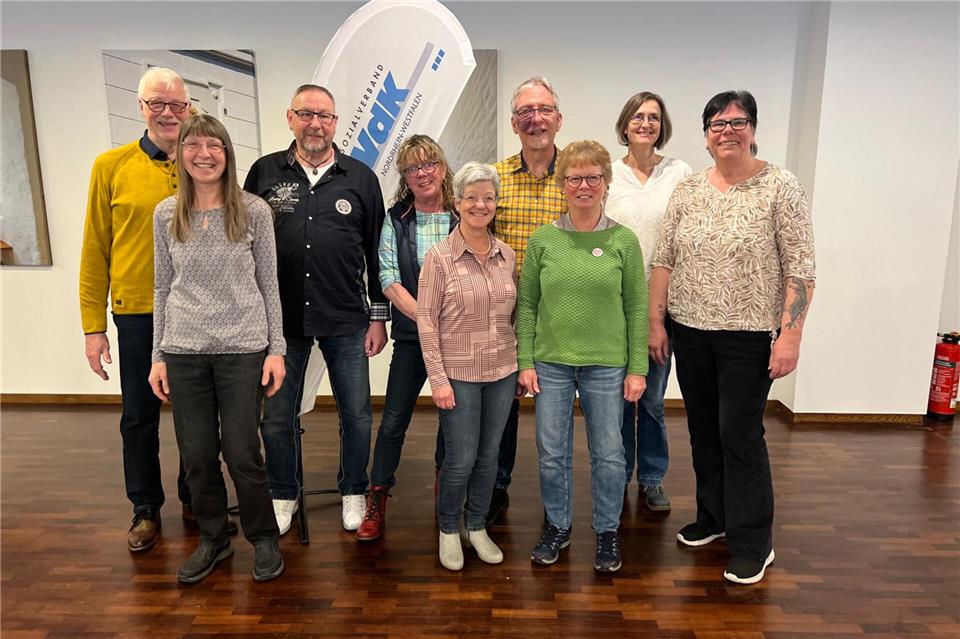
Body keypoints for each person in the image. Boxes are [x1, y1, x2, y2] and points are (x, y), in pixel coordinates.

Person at [651, 90, 816, 585]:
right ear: (705, 136)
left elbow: (802, 267)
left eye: (737, 122)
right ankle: (714, 517)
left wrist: (790, 336)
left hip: (749, 336)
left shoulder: (780, 187)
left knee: (739, 434)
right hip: (690, 330)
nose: (727, 131)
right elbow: (663, 259)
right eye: (717, 124)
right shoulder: (689, 190)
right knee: (703, 428)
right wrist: (657, 322)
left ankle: (753, 541)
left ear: (753, 129)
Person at [243, 84, 388, 535]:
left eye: (324, 116)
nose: (315, 124)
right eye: (306, 114)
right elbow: (245, 245)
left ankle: (353, 490)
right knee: (278, 415)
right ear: (290, 118)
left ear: (335, 122)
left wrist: (379, 316)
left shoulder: (361, 177)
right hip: (280, 322)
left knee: (358, 413)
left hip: (346, 316)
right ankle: (283, 494)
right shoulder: (264, 172)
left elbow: (377, 253)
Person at [148, 114, 285, 583]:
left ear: (227, 155)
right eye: (194, 145)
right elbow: (161, 288)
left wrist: (276, 349)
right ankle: (213, 540)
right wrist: (158, 356)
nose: (203, 154)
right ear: (180, 153)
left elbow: (270, 284)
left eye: (214, 146)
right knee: (197, 454)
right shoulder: (166, 214)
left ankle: (263, 538)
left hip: (243, 347)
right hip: (183, 349)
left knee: (243, 451)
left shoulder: (253, 211)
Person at [79, 68, 206, 552]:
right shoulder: (110, 166)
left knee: (197, 415)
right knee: (139, 416)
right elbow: (95, 250)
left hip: (197, 311)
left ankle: (196, 498)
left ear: (190, 108)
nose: (169, 113)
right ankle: (145, 510)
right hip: (136, 312)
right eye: (158, 104)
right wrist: (93, 327)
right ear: (142, 107)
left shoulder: (204, 164)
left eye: (178, 105)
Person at [517, 140, 648, 573]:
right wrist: (526, 361)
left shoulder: (623, 241)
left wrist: (637, 368)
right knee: (551, 451)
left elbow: (636, 308)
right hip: (551, 361)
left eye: (594, 177)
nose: (584, 185)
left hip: (606, 365)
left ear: (606, 184)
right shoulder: (543, 240)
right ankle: (558, 525)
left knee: (609, 452)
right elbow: (528, 304)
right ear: (563, 186)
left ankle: (607, 530)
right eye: (575, 178)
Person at [417, 162, 518, 571]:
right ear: (456, 203)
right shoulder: (439, 258)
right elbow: (426, 320)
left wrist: (519, 366)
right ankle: (447, 528)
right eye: (472, 197)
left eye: (488, 197)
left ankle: (476, 526)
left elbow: (514, 315)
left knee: (489, 456)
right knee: (460, 458)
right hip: (457, 375)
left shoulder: (506, 254)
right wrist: (437, 380)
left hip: (501, 372)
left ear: (496, 203)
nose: (481, 204)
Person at [357, 135, 458, 541]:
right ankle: (377, 496)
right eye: (412, 168)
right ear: (405, 177)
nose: (422, 174)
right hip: (414, 338)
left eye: (428, 164)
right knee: (395, 418)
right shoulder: (396, 218)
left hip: (459, 338)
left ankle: (444, 492)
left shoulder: (460, 213)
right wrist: (424, 318)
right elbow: (386, 277)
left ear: (443, 167)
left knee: (452, 420)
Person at [606, 92, 692, 512]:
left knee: (653, 400)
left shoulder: (680, 173)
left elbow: (685, 238)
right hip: (614, 304)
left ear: (663, 126)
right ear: (625, 125)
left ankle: (653, 477)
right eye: (638, 116)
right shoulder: (607, 175)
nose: (646, 123)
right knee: (621, 395)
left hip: (664, 305)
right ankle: (619, 474)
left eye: (654, 117)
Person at [487, 76, 566, 525]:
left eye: (544, 109)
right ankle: (496, 488)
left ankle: (557, 505)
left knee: (554, 415)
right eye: (525, 112)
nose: (535, 119)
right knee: (503, 409)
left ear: (558, 119)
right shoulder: (494, 178)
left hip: (559, 317)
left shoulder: (577, 177)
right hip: (503, 316)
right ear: (514, 123)